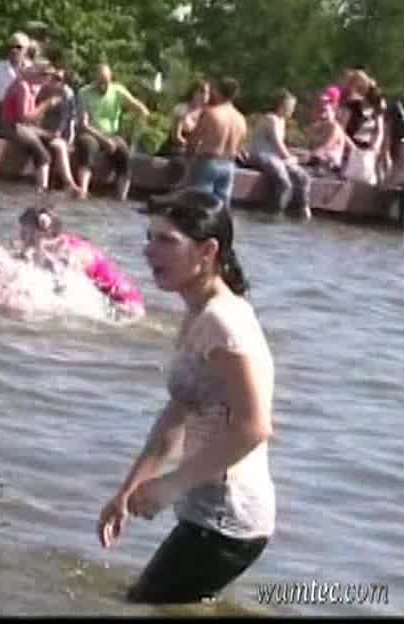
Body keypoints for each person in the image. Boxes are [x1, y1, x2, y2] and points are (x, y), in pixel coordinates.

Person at [97, 188, 275, 604]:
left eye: (166, 240)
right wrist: (128, 490)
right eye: (149, 237)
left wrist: (170, 486)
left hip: (228, 520)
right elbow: (177, 412)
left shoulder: (223, 322)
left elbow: (254, 426)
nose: (149, 251)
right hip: (207, 512)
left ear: (207, 251)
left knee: (139, 605)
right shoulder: (198, 313)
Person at [16, 206, 145, 317]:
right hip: (116, 303)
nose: (20, 236)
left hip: (126, 307)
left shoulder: (70, 253)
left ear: (44, 232)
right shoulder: (56, 246)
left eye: (25, 231)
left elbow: (64, 290)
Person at [1, 60, 82, 194]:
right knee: (44, 156)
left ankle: (69, 183)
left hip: (25, 128)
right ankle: (41, 190)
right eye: (47, 77)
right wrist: (46, 105)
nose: (47, 82)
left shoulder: (30, 87)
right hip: (14, 127)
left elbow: (33, 118)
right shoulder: (23, 87)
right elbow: (25, 117)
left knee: (59, 142)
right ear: (38, 74)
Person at [72, 63, 150, 201]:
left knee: (124, 154)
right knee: (87, 146)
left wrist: (139, 118)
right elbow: (83, 125)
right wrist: (103, 140)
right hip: (91, 132)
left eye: (106, 82)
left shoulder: (118, 90)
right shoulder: (84, 93)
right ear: (95, 79)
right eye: (101, 82)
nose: (104, 86)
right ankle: (83, 191)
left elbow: (140, 108)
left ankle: (121, 196)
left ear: (111, 79)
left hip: (112, 134)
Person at [244, 89, 312, 219]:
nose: (293, 110)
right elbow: (277, 143)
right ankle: (274, 214)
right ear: (281, 105)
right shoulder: (271, 119)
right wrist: (290, 158)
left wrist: (293, 156)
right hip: (261, 155)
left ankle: (302, 209)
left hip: (275, 157)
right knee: (284, 182)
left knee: (303, 177)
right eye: (291, 106)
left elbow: (280, 147)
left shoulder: (282, 121)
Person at [182, 77, 248, 208]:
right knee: (220, 209)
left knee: (198, 206)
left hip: (208, 162)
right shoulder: (241, 119)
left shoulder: (212, 113)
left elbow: (194, 140)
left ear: (217, 91)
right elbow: (240, 147)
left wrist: (188, 163)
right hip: (229, 165)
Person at [340, 84, 385, 185]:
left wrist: (375, 146)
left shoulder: (377, 111)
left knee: (366, 175)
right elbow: (341, 129)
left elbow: (379, 131)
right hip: (349, 145)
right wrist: (351, 147)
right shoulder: (352, 107)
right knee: (347, 175)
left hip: (367, 147)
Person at [304, 92, 352, 179]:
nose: (322, 107)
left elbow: (324, 149)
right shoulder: (316, 126)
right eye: (320, 106)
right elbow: (310, 146)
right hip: (316, 165)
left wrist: (304, 158)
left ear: (334, 108)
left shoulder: (334, 127)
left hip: (329, 169)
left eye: (326, 104)